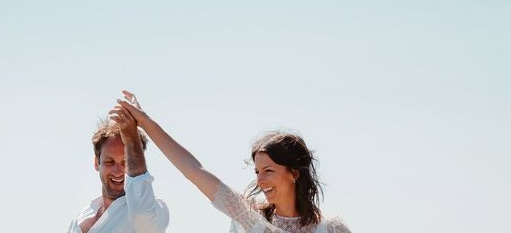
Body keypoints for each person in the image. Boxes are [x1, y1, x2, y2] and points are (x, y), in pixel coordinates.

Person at [114, 90, 352, 233]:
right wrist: (145, 122)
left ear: (294, 173)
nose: (260, 179)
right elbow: (194, 170)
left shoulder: (331, 229)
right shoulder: (250, 217)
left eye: (268, 170)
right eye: (258, 171)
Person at [67, 106, 170, 233]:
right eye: (110, 162)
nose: (117, 170)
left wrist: (132, 140)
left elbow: (141, 214)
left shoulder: (154, 212)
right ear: (96, 163)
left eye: (126, 163)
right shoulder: (83, 215)